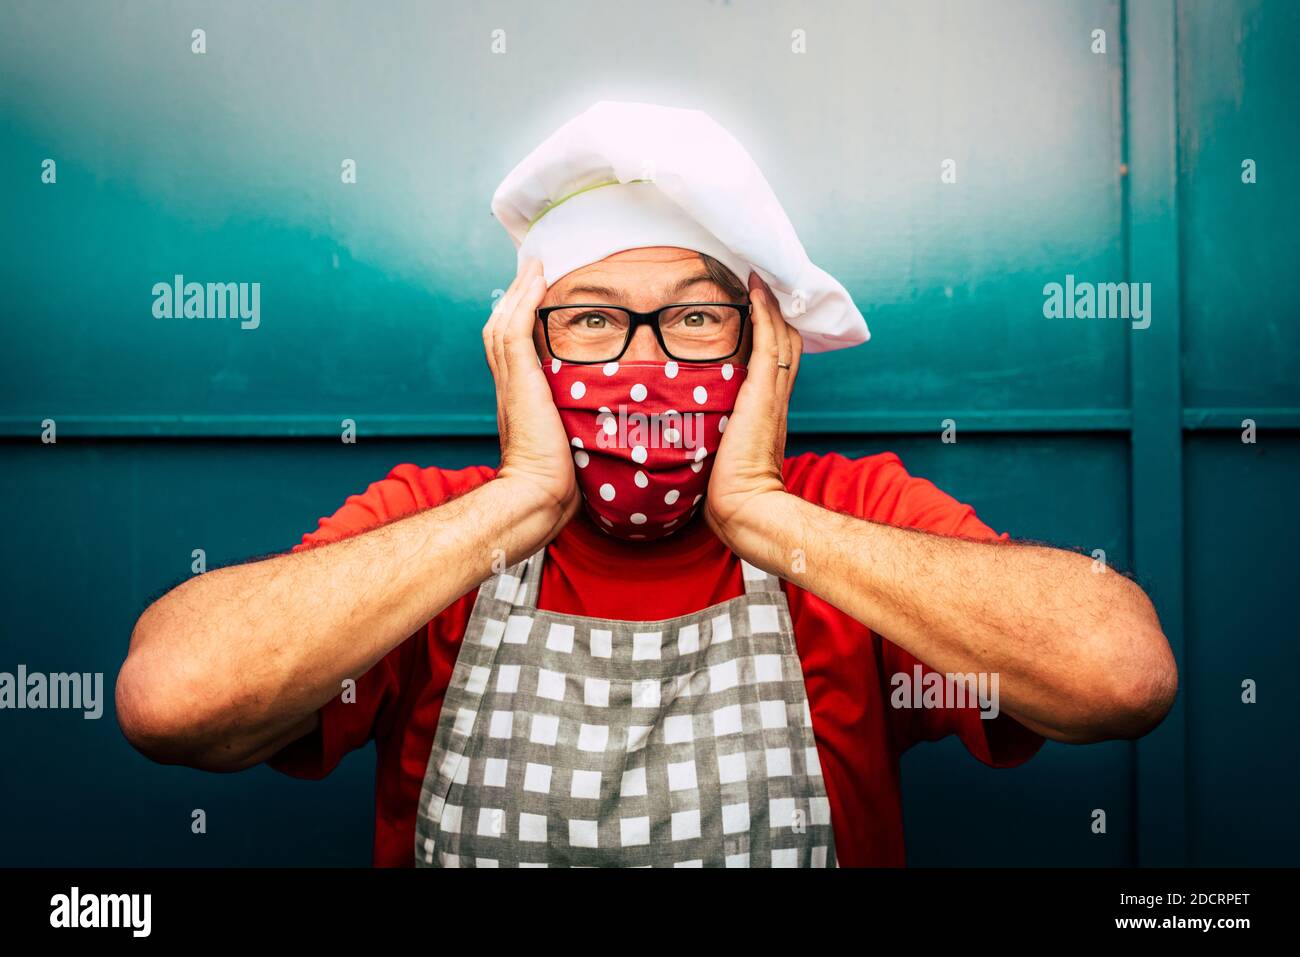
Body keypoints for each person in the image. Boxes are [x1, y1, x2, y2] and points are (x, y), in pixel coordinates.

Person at [116, 101, 1178, 868]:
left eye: (692, 318)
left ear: (764, 344)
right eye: (588, 320)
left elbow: (1118, 676)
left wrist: (761, 511)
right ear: (520, 351)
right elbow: (175, 703)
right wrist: (523, 499)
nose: (639, 361)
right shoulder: (429, 525)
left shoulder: (844, 517)